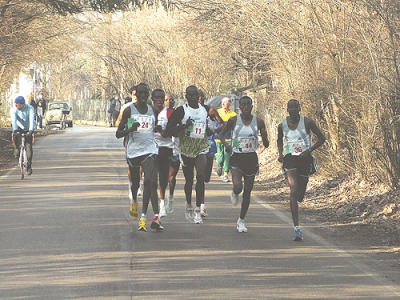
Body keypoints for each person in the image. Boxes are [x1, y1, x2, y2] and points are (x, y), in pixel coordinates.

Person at [115, 83, 163, 232]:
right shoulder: (130, 110)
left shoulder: (153, 110)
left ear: (148, 95)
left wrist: (158, 129)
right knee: (135, 184)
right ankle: (134, 199)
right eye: (140, 93)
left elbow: (154, 126)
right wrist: (130, 128)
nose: (143, 96)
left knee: (151, 181)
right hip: (134, 151)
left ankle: (150, 217)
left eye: (145, 93)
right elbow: (118, 133)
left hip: (149, 149)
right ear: (135, 94)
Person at [277, 99, 326, 241]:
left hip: (304, 160)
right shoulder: (282, 125)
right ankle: (296, 228)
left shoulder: (308, 122)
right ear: (287, 110)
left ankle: (298, 196)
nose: (292, 110)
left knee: (300, 195)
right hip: (290, 159)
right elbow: (279, 139)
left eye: (295, 107)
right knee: (293, 190)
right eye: (290, 108)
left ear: (299, 108)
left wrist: (309, 150)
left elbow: (322, 138)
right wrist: (280, 153)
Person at [219, 96, 269, 233]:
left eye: (248, 104)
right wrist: (227, 146)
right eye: (243, 105)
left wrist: (264, 136)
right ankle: (235, 192)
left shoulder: (258, 121)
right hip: (237, 157)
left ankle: (241, 220)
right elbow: (221, 135)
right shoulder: (234, 120)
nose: (246, 107)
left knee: (247, 191)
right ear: (239, 107)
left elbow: (266, 144)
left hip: (251, 158)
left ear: (252, 107)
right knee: (238, 186)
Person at [166, 85, 215, 224]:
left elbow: (214, 123)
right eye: (191, 95)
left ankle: (198, 209)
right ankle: (188, 204)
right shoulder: (182, 110)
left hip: (201, 147)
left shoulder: (205, 109)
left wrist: (211, 130)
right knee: (189, 180)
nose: (194, 97)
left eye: (196, 95)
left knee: (201, 176)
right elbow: (169, 129)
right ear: (186, 96)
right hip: (186, 148)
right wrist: (184, 126)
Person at [152, 89, 174, 218]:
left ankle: (162, 202)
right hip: (151, 148)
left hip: (165, 147)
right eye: (158, 98)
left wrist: (164, 132)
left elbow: (174, 131)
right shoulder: (147, 111)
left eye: (162, 98)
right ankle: (157, 205)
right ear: (153, 99)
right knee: (152, 179)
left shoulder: (169, 113)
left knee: (164, 177)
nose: (160, 100)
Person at [10, 96, 35, 175]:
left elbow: (31, 119)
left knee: (28, 146)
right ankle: (17, 149)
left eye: (18, 104)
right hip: (18, 127)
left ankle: (29, 166)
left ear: (23, 104)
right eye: (15, 103)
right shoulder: (13, 109)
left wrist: (31, 130)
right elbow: (13, 120)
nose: (16, 105)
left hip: (28, 128)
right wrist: (15, 130)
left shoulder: (30, 108)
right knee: (16, 137)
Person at [215, 97, 237, 182]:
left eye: (227, 102)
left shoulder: (233, 114)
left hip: (229, 139)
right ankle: (219, 165)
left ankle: (225, 174)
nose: (224, 104)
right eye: (223, 102)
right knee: (220, 156)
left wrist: (235, 143)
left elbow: (235, 129)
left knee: (227, 157)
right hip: (218, 138)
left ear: (230, 104)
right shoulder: (217, 112)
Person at [165, 93, 179, 214]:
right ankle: (161, 202)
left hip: (175, 149)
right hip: (161, 148)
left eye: (171, 100)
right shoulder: (158, 114)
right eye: (166, 100)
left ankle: (171, 196)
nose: (169, 102)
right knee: (161, 177)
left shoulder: (178, 115)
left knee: (171, 177)